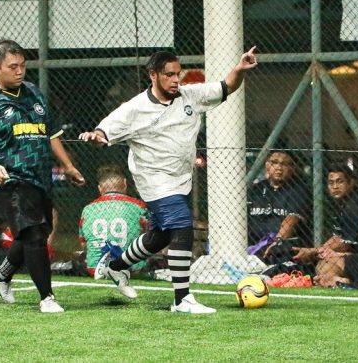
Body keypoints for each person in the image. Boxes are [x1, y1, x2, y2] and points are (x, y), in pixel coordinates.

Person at [79, 47, 259, 314]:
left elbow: (226, 87)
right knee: (182, 225)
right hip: (153, 181)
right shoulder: (134, 109)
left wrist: (240, 69)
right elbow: (104, 130)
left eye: (178, 74)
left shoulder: (190, 96)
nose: (176, 80)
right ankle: (182, 299)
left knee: (160, 237)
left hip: (180, 180)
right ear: (153, 75)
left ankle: (116, 266)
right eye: (169, 75)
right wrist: (95, 136)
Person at [0, 39, 85, 313]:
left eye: (23, 66)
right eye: (12, 66)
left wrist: (68, 166)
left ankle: (3, 273)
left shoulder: (33, 93)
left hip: (39, 178)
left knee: (38, 230)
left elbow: (50, 134)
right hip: (9, 180)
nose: (20, 71)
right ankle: (47, 298)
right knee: (33, 234)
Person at [292, 162, 358, 286]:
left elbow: (344, 244)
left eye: (340, 181)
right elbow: (338, 237)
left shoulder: (355, 205)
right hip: (357, 259)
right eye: (331, 182)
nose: (335, 186)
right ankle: (337, 281)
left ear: (351, 183)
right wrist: (320, 251)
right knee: (323, 264)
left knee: (326, 261)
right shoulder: (340, 204)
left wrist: (313, 251)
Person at [78, 164, 148, 277]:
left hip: (95, 268)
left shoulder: (88, 209)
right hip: (131, 269)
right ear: (125, 184)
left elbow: (84, 245)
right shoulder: (139, 206)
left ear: (100, 188)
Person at [246, 150, 311, 260]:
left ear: (292, 168)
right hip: (252, 243)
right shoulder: (255, 190)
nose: (279, 167)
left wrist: (277, 243)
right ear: (267, 165)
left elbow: (291, 220)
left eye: (284, 164)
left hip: (280, 246)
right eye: (274, 162)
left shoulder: (299, 191)